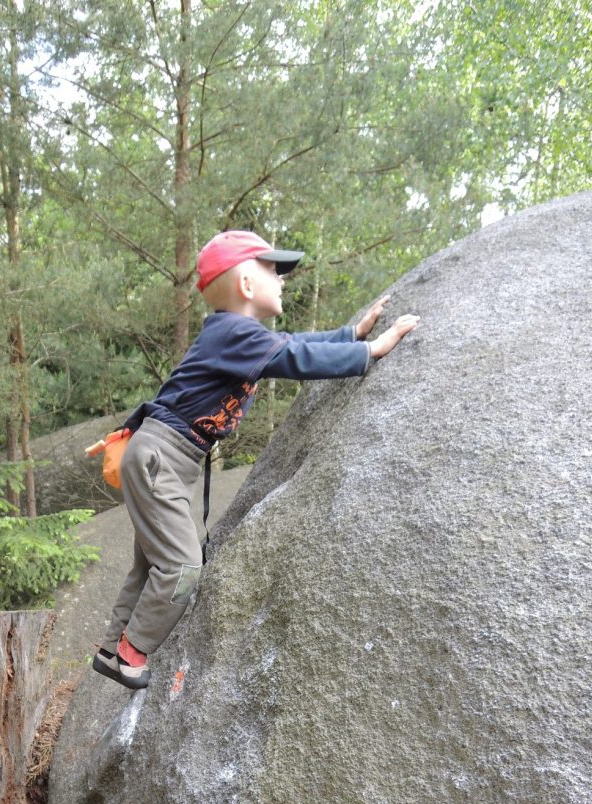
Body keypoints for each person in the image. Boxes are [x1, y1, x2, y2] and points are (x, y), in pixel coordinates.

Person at [93, 229, 419, 689]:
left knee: (151, 563)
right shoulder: (233, 333)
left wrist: (350, 334)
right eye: (273, 270)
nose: (282, 280)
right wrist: (369, 351)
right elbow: (295, 358)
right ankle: (131, 653)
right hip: (162, 457)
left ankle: (110, 649)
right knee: (183, 564)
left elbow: (288, 346)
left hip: (163, 458)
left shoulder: (236, 335)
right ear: (246, 284)